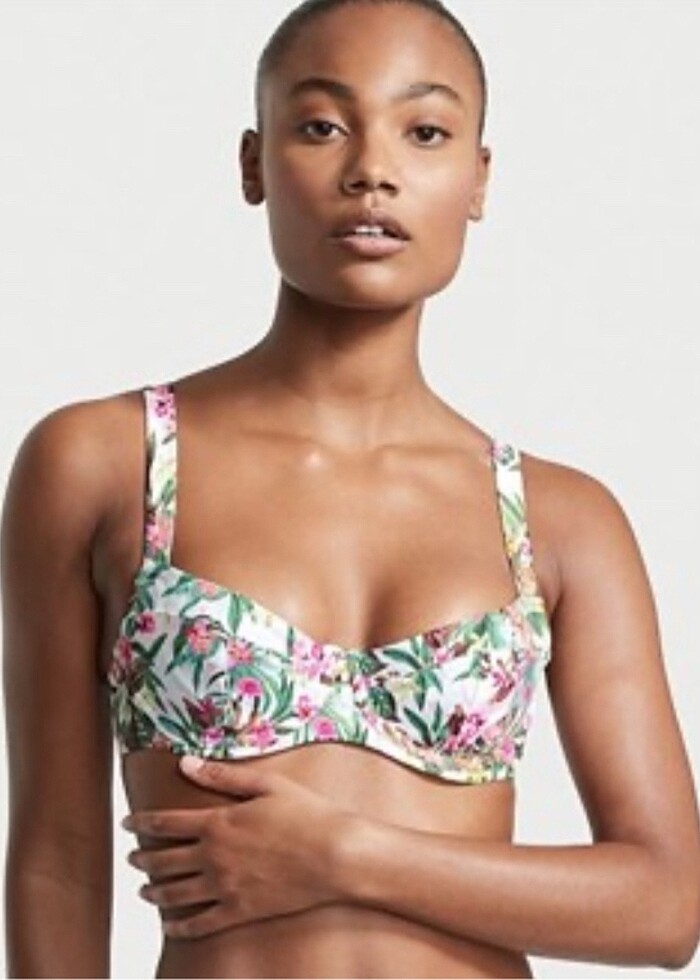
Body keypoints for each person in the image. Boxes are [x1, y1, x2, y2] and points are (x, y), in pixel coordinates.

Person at [3, 0, 699, 976]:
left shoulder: (561, 520)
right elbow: (57, 861)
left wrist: (344, 855)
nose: (373, 169)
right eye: (323, 125)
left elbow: (666, 904)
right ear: (253, 163)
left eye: (425, 132)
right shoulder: (104, 462)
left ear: (477, 179)